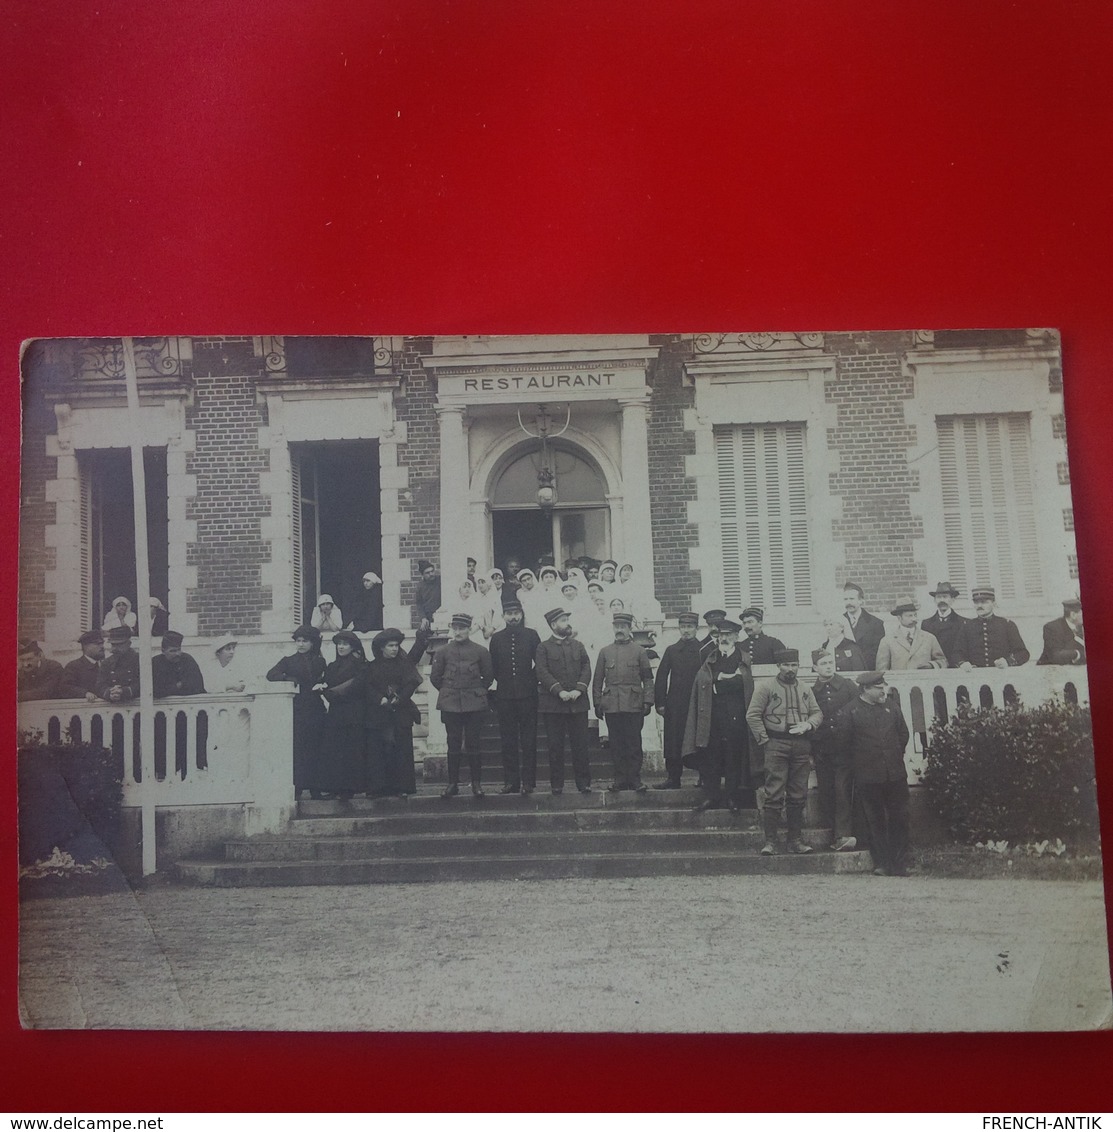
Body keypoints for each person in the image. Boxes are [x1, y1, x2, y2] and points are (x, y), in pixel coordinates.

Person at [835, 671, 912, 877]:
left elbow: (903, 734)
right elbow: (844, 746)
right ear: (866, 689)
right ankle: (882, 863)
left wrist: (893, 755)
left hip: (895, 774)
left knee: (899, 817)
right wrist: (864, 764)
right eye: (879, 688)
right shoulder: (850, 712)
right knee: (874, 821)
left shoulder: (891, 707)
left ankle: (900, 863)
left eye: (884, 686)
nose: (883, 691)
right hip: (868, 776)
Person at [747, 648, 823, 854]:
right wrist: (765, 740)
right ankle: (770, 842)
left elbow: (817, 712)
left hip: (801, 745)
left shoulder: (806, 688)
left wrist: (809, 725)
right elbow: (753, 715)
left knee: (799, 793)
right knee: (774, 793)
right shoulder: (766, 687)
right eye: (787, 665)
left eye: (794, 665)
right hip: (776, 743)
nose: (791, 669)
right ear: (778, 666)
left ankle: (795, 841)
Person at [684, 618, 756, 814]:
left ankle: (732, 797)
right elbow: (704, 683)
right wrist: (722, 682)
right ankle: (712, 796)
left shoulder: (743, 659)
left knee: (733, 757)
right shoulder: (710, 659)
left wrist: (719, 685)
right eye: (721, 635)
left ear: (736, 637)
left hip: (736, 718)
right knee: (711, 757)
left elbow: (743, 683)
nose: (724, 638)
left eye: (728, 635)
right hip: (712, 718)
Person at [429, 612, 493, 798]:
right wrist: (450, 691)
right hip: (450, 704)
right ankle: (452, 784)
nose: (458, 632)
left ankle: (476, 784)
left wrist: (475, 690)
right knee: (453, 743)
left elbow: (488, 676)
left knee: (474, 744)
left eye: (462, 628)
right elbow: (435, 678)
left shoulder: (481, 651)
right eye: (455, 628)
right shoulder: (443, 652)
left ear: (469, 629)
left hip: (474, 703)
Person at [535, 607, 593, 795]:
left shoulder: (578, 645)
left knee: (581, 745)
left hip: (578, 702)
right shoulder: (543, 647)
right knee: (555, 746)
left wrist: (579, 689)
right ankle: (557, 784)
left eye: (567, 619)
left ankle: (583, 783)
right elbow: (542, 672)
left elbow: (586, 667)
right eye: (562, 620)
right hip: (553, 704)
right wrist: (558, 691)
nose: (567, 623)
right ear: (553, 625)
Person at [593, 612, 654, 792]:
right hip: (612, 704)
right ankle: (619, 779)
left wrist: (648, 701)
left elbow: (648, 679)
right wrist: (597, 702)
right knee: (617, 744)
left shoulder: (639, 651)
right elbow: (597, 679)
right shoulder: (605, 652)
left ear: (629, 629)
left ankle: (635, 779)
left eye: (623, 627)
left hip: (634, 703)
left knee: (634, 743)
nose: (619, 630)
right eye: (616, 627)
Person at [266, 625, 327, 799]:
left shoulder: (319, 661)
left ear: (313, 643)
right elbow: (271, 674)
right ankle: (298, 787)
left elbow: (324, 678)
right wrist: (286, 677)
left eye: (305, 641)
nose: (301, 644)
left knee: (316, 748)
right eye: (298, 641)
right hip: (298, 710)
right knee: (299, 749)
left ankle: (316, 788)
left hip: (315, 709)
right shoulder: (289, 661)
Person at [488, 600, 541, 794]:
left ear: (521, 614)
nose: (513, 617)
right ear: (503, 616)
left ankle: (528, 782)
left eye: (516, 613)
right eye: (509, 613)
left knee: (529, 740)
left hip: (528, 695)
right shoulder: (496, 639)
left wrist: (530, 681)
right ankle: (511, 781)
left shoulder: (532, 635)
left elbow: (540, 663)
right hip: (505, 696)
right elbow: (492, 667)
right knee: (507, 740)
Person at [809, 649, 859, 851]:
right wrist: (812, 751)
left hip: (844, 748)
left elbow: (858, 711)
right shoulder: (812, 692)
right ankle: (834, 833)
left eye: (830, 662)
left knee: (842, 789)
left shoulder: (847, 686)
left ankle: (843, 835)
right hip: (822, 749)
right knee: (826, 792)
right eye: (823, 663)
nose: (828, 666)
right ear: (815, 668)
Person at [364, 628, 422, 797]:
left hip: (400, 713)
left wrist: (400, 698)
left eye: (396, 645)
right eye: (390, 646)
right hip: (379, 714)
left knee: (401, 750)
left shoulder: (404, 665)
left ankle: (401, 787)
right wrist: (379, 698)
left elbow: (411, 683)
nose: (394, 649)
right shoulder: (372, 666)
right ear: (382, 648)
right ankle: (378, 787)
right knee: (378, 750)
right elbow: (367, 686)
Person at [312, 629, 368, 800]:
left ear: (353, 646)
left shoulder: (361, 665)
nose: (342, 647)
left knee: (351, 750)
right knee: (334, 750)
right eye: (339, 644)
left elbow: (357, 685)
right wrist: (322, 687)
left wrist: (330, 692)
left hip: (353, 711)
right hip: (336, 712)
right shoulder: (332, 666)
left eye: (345, 644)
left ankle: (349, 788)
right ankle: (335, 786)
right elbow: (325, 681)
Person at [652, 612, 703, 789]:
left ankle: (704, 777)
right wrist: (660, 703)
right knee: (673, 741)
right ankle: (673, 778)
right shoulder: (672, 650)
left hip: (698, 704)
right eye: (683, 627)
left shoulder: (704, 650)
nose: (686, 630)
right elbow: (661, 677)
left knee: (700, 739)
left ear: (696, 628)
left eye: (690, 627)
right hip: (675, 704)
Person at [953, 585, 1030, 669]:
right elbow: (957, 653)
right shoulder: (967, 626)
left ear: (993, 603)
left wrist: (1007, 662)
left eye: (984, 602)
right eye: (976, 602)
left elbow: (1023, 653)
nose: (979, 606)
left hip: (1001, 675)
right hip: (976, 675)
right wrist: (963, 663)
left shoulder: (1007, 625)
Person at [875, 602, 947, 671]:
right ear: (899, 618)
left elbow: (943, 662)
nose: (914, 619)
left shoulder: (929, 638)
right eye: (909, 616)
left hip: (924, 681)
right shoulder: (887, 641)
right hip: (899, 682)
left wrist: (931, 665)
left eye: (915, 615)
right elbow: (881, 670)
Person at [920, 582, 969, 667]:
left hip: (957, 668)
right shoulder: (926, 624)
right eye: (939, 597)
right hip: (936, 669)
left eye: (945, 597)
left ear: (952, 600)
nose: (942, 600)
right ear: (934, 600)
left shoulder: (963, 622)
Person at [842, 583, 886, 670]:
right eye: (845, 599)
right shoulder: (838, 622)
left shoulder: (875, 623)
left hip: (867, 672)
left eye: (852, 599)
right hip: (845, 673)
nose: (849, 602)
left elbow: (879, 654)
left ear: (861, 600)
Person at [151, 630, 206, 697]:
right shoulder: (156, 663)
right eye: (173, 651)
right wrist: (179, 685)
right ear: (163, 651)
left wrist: (173, 687)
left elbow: (197, 686)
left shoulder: (187, 660)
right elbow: (155, 691)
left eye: (179, 649)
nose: (177, 654)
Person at [96, 626, 140, 703]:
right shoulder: (106, 663)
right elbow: (100, 686)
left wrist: (124, 691)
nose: (114, 649)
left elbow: (144, 684)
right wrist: (110, 693)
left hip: (135, 706)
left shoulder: (139, 660)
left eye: (119, 645)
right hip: (112, 709)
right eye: (113, 645)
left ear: (128, 644)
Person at [60, 629, 105, 701]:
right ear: (86, 646)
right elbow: (65, 688)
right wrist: (84, 693)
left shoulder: (107, 665)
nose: (102, 646)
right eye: (97, 644)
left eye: (102, 643)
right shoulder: (74, 666)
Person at [1037, 599, 1086, 665]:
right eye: (1083, 613)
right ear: (1073, 615)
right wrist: (1078, 653)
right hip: (1051, 670)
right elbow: (1055, 655)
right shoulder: (1052, 628)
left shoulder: (1082, 627)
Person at [413, 560, 441, 633]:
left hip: (441, 615)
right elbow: (419, 604)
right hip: (429, 617)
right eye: (427, 573)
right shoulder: (420, 587)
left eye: (432, 571)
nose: (431, 574)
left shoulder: (440, 581)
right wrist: (423, 618)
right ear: (423, 575)